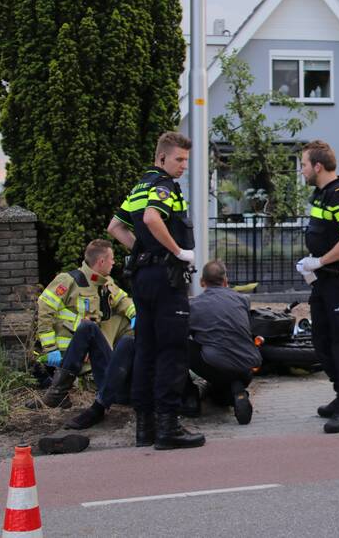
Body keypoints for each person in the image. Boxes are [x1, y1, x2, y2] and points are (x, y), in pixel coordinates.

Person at [108, 131, 204, 450]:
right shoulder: (164, 185)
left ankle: (144, 427)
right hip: (166, 279)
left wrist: (143, 251)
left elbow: (115, 226)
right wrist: (176, 251)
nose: (183, 166)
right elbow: (152, 218)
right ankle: (168, 427)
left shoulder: (140, 186)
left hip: (143, 277)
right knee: (172, 350)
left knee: (145, 350)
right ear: (161, 157)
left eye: (186, 160)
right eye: (179, 159)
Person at [296, 140, 339, 434]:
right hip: (324, 279)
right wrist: (312, 263)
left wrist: (320, 261)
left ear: (318, 166)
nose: (301, 170)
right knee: (322, 341)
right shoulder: (322, 195)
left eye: (303, 165)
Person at [33, 239, 135, 411]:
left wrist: (135, 315)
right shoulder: (69, 280)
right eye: (111, 259)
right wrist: (50, 348)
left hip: (91, 355)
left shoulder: (105, 283)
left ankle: (119, 372)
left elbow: (123, 301)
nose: (114, 262)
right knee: (88, 327)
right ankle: (59, 391)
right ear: (101, 261)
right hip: (65, 354)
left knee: (125, 320)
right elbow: (45, 310)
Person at [188, 260, 261, 425]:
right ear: (226, 281)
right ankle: (236, 392)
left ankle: (188, 398)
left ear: (202, 282)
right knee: (219, 396)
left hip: (217, 368)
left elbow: (186, 333)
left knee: (181, 345)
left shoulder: (194, 305)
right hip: (247, 369)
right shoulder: (243, 299)